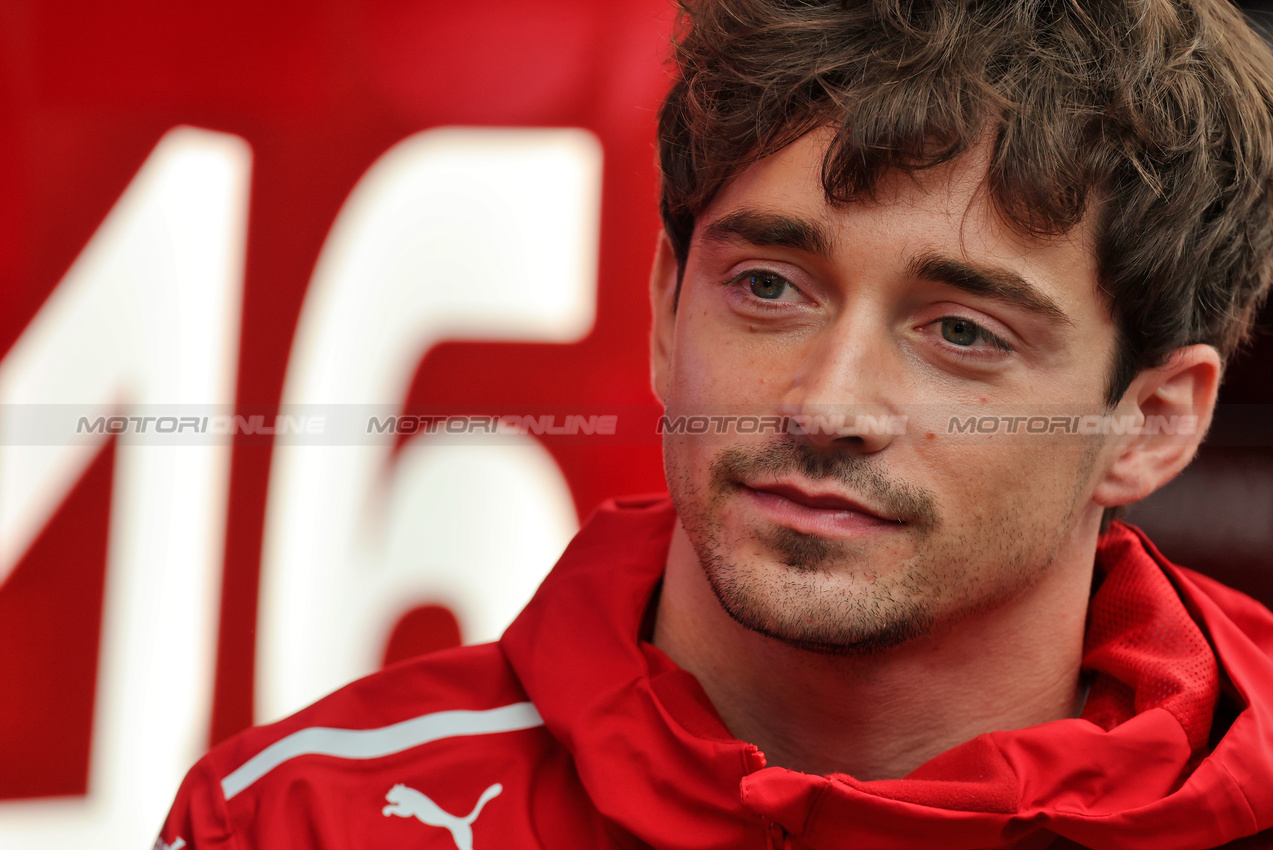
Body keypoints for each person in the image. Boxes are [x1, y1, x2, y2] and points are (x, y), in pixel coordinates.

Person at [158, 0, 1273, 847]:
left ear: (1150, 423)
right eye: (770, 288)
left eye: (962, 333)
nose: (828, 405)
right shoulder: (307, 815)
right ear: (662, 308)